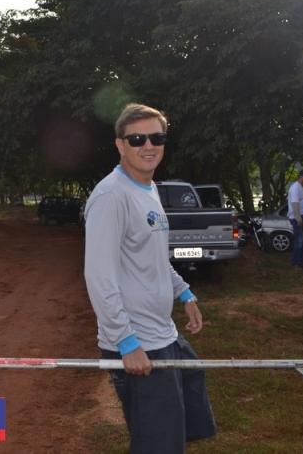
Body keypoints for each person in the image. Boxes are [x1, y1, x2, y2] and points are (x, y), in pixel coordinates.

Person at [84, 103, 215, 453]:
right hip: (137, 341)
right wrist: (126, 342)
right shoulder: (111, 196)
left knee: (185, 420)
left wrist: (184, 293)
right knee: (158, 444)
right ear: (120, 144)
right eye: (137, 139)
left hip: (164, 333)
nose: (148, 145)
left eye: (156, 138)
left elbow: (154, 257)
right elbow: (98, 276)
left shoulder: (148, 187)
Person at [287, 170, 303, 268]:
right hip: (298, 217)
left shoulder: (301, 188)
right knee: (299, 240)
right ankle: (296, 263)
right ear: (301, 177)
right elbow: (295, 203)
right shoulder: (295, 187)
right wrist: (298, 217)